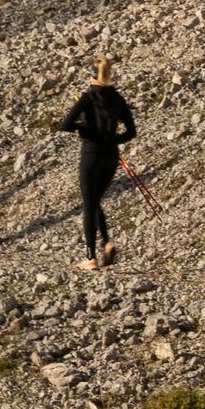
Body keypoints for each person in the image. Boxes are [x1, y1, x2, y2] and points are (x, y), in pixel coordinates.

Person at [59, 56, 136, 270]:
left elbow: (64, 125)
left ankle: (91, 257)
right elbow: (131, 131)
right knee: (95, 200)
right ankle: (106, 242)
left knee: (89, 204)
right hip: (111, 157)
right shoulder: (118, 98)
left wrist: (84, 127)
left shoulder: (88, 97)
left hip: (91, 154)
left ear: (91, 75)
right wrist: (112, 139)